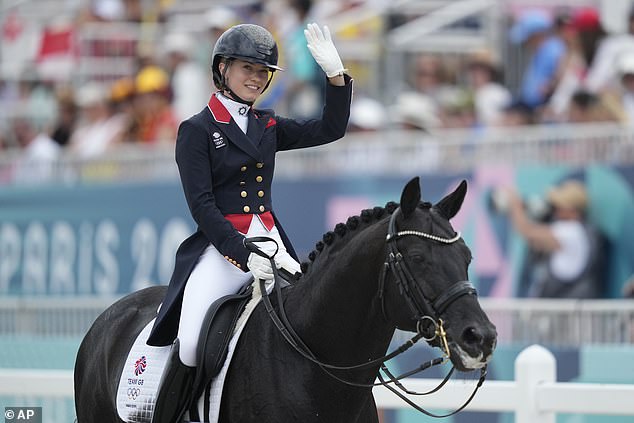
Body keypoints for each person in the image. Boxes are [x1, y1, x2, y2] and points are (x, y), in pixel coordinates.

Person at [145, 22, 352, 423]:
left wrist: (335, 76)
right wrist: (241, 254)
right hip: (223, 247)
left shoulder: (268, 125)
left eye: (263, 72)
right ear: (222, 69)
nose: (256, 79)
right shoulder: (196, 130)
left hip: (271, 241)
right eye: (247, 69)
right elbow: (202, 207)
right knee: (189, 342)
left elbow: (332, 128)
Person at [494, 180, 605, 299]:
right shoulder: (580, 231)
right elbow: (535, 242)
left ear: (573, 210)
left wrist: (515, 205)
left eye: (559, 205)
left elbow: (526, 232)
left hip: (563, 301)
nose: (555, 209)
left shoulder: (571, 231)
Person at [509, 9, 567, 111]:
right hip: (530, 107)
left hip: (540, 109)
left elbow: (557, 80)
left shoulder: (554, 50)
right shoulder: (542, 51)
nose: (525, 43)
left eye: (527, 38)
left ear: (536, 35)